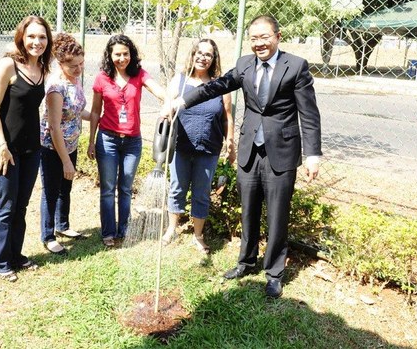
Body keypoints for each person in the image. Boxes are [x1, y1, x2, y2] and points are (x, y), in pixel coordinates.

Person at [171, 15, 322, 297]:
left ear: (277, 36)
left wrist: (312, 153)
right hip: (250, 150)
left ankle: (274, 273)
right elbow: (216, 86)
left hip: (282, 151)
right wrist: (183, 99)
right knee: (249, 211)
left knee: (277, 215)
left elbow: (309, 114)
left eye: (264, 37)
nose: (259, 43)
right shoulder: (244, 65)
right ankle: (246, 261)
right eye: (253, 38)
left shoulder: (296, 67)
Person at [0, 15, 53, 282]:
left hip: (31, 150)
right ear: (22, 38)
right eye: (32, 36)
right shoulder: (8, 65)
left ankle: (16, 255)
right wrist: (1, 146)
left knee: (21, 206)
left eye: (42, 37)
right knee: (6, 206)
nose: (37, 42)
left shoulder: (43, 69)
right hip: (5, 150)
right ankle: (0, 262)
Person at [88, 34, 167, 247]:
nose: (122, 58)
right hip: (108, 140)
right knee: (107, 188)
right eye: (117, 54)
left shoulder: (139, 74)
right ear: (109, 55)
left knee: (125, 188)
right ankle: (108, 232)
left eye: (126, 54)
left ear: (131, 54)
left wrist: (169, 99)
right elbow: (96, 111)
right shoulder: (101, 78)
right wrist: (91, 141)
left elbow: (158, 90)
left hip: (132, 142)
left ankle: (123, 229)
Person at [161, 39, 236, 254]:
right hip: (181, 147)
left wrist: (230, 142)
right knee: (177, 188)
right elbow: (167, 106)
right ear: (193, 55)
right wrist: (166, 112)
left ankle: (198, 235)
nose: (203, 57)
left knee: (201, 193)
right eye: (199, 53)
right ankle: (171, 229)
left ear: (214, 59)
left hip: (209, 148)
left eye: (208, 54)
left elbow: (227, 117)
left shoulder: (220, 85)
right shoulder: (180, 81)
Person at [39, 33, 91, 255]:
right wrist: (65, 161)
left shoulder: (75, 80)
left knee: (65, 188)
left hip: (71, 144)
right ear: (60, 64)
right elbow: (54, 126)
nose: (78, 69)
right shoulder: (56, 87)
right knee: (51, 190)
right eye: (72, 66)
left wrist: (99, 116)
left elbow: (78, 111)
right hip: (53, 147)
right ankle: (48, 235)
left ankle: (63, 225)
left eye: (81, 63)